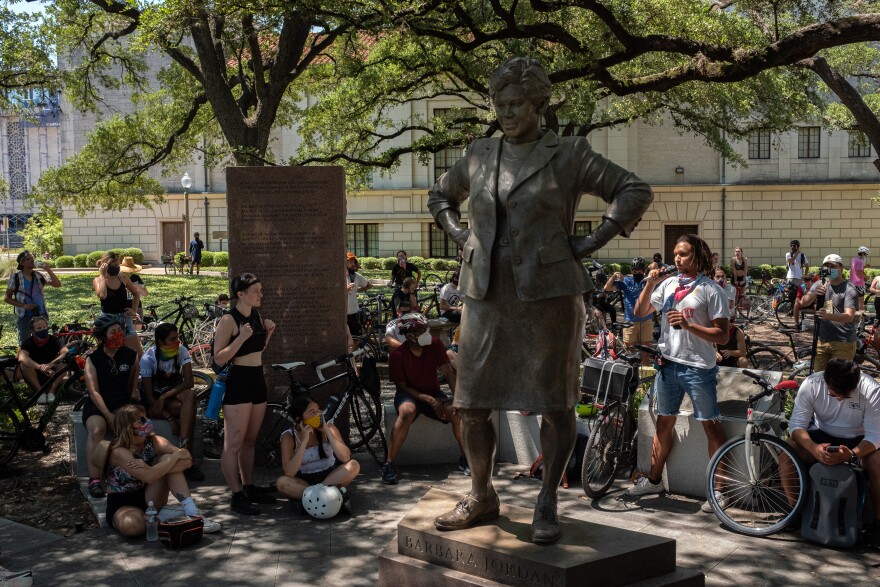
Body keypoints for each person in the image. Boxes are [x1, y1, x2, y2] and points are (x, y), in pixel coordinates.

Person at [427, 56, 652, 544]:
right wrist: (459, 233)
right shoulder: (480, 153)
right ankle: (482, 493)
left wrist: (592, 241)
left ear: (540, 104)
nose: (507, 113)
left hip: (549, 294)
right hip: (485, 291)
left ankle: (547, 499)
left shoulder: (569, 152)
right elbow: (439, 196)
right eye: (500, 104)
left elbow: (633, 189)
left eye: (517, 104)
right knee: (471, 402)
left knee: (555, 403)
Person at [628, 234, 729, 513]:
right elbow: (640, 311)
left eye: (683, 254)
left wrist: (688, 326)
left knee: (711, 426)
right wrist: (650, 282)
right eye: (675, 253)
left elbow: (722, 336)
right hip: (669, 365)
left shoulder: (711, 290)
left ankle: (718, 491)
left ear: (697, 256)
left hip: (698, 368)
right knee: (664, 423)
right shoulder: (669, 285)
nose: (677, 258)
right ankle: (654, 480)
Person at [778, 359, 880, 548]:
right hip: (822, 434)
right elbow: (796, 426)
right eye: (834, 394)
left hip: (860, 438)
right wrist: (812, 448)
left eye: (845, 396)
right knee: (788, 452)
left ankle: (878, 524)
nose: (839, 399)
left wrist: (852, 454)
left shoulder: (871, 389)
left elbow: (875, 435)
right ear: (825, 381)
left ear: (856, 384)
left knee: (877, 463)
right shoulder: (812, 384)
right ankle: (795, 511)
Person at [212, 273, 277, 514]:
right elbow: (219, 358)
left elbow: (257, 349)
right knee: (234, 443)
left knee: (250, 440)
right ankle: (236, 494)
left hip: (257, 378)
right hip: (238, 381)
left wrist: (268, 332)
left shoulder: (256, 315)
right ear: (240, 294)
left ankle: (248, 487)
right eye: (255, 291)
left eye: (260, 290)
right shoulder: (229, 320)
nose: (260, 295)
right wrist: (241, 337)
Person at [104, 403, 220, 537]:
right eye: (141, 420)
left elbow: (187, 460)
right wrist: (174, 457)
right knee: (133, 527)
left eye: (146, 417)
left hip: (149, 496)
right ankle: (162, 516)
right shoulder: (119, 451)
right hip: (122, 503)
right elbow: (149, 477)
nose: (147, 422)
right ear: (128, 427)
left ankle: (192, 512)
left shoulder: (154, 441)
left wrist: (157, 466)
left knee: (166, 458)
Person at [382, 314, 465, 485]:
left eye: (426, 329)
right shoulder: (398, 355)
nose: (426, 333)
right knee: (406, 412)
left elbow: (448, 371)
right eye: (421, 331)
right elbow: (403, 387)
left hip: (433, 392)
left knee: (456, 413)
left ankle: (466, 457)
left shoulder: (435, 345)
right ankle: (389, 463)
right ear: (410, 336)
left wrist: (457, 398)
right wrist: (426, 399)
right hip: (409, 395)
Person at [81, 314, 141, 498]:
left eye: (119, 330)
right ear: (102, 337)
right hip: (97, 405)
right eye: (113, 332)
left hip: (121, 402)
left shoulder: (131, 355)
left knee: (137, 427)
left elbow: (131, 386)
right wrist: (108, 415)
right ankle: (95, 479)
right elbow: (94, 392)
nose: (118, 335)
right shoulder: (93, 359)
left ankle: (134, 472)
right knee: (98, 429)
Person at [140, 322, 204, 482]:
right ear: (160, 342)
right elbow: (149, 397)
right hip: (156, 401)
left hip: (170, 395)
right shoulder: (148, 359)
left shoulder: (181, 351)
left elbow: (189, 382)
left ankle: (182, 450)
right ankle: (188, 460)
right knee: (189, 409)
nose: (177, 342)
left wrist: (164, 396)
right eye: (172, 339)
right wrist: (169, 417)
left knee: (190, 395)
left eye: (178, 338)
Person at [275, 396, 359, 505]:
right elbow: (289, 472)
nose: (318, 414)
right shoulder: (289, 436)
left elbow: (345, 457)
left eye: (318, 409)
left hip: (330, 478)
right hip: (304, 482)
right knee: (282, 482)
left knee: (354, 465)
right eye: (312, 412)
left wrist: (326, 430)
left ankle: (314, 496)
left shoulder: (329, 427)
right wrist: (304, 441)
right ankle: (326, 496)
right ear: (299, 419)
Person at [799, 254, 858, 373]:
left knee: (839, 380)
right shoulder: (820, 283)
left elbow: (849, 316)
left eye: (833, 266)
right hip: (822, 340)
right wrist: (814, 293)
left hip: (843, 342)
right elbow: (803, 302)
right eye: (826, 266)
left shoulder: (849, 289)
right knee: (818, 377)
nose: (829, 269)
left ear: (841, 268)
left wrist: (828, 316)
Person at [4, 250, 61, 344]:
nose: (32, 260)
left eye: (32, 258)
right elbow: (6, 298)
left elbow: (57, 284)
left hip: (40, 314)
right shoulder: (16, 277)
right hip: (25, 316)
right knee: (24, 343)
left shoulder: (39, 275)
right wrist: (24, 306)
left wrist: (48, 270)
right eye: (28, 259)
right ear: (22, 263)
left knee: (42, 342)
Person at [93, 252, 142, 355]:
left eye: (119, 265)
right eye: (115, 265)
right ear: (106, 265)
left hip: (124, 318)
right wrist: (103, 275)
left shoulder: (122, 277)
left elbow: (136, 294)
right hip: (108, 320)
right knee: (112, 352)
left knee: (137, 353)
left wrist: (133, 310)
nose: (117, 268)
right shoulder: (98, 280)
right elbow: (103, 295)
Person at [605, 257, 653, 364]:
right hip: (630, 321)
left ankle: (644, 372)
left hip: (646, 320)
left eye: (639, 271)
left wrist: (651, 269)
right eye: (634, 271)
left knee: (646, 350)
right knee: (629, 351)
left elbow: (655, 265)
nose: (637, 273)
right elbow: (607, 288)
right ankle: (631, 373)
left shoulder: (648, 280)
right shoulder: (626, 281)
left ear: (643, 270)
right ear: (631, 271)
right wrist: (614, 276)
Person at [17, 316, 67, 405]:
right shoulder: (28, 342)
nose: (43, 330)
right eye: (39, 328)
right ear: (33, 331)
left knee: (65, 363)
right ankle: (40, 393)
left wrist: (50, 364)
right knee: (24, 365)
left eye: (44, 327)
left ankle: (52, 391)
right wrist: (39, 367)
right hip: (35, 374)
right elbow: (22, 358)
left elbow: (65, 352)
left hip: (52, 372)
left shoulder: (55, 340)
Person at [345, 252, 371, 336]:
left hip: (353, 311)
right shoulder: (337, 275)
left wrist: (357, 290)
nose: (353, 264)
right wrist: (346, 289)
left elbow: (369, 285)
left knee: (356, 336)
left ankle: (353, 350)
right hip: (342, 313)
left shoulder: (356, 276)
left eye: (354, 262)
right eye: (351, 262)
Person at [850, 246, 870, 311]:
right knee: (860, 300)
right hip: (859, 283)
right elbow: (859, 272)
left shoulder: (854, 260)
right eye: (866, 254)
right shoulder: (860, 262)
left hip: (852, 282)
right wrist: (866, 277)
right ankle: (860, 315)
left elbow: (856, 269)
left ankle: (853, 314)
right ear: (863, 254)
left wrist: (864, 266)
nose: (866, 256)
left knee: (853, 300)